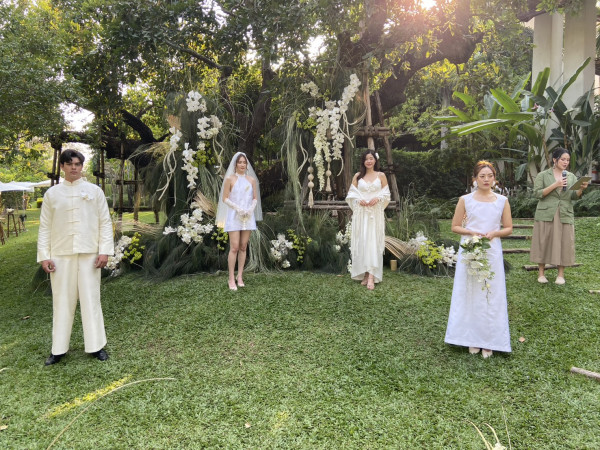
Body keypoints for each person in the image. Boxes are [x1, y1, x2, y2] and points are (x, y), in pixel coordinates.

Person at [37, 149, 114, 366]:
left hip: (90, 254)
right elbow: (44, 227)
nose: (74, 167)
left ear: (82, 166)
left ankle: (96, 346)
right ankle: (58, 349)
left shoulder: (95, 191)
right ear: (62, 166)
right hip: (60, 255)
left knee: (91, 300)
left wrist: (104, 251)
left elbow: (105, 222)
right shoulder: (51, 194)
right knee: (62, 302)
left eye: (78, 164)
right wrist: (44, 256)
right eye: (70, 164)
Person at [445, 161, 513, 358]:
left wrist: (495, 233)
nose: (486, 179)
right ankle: (471, 338)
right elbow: (455, 226)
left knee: (491, 292)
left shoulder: (502, 201)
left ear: (494, 179)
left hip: (491, 250)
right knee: (470, 292)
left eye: (490, 176)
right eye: (482, 176)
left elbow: (509, 228)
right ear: (474, 179)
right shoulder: (465, 200)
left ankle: (490, 340)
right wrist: (471, 232)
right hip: (470, 249)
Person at [530, 147, 589, 285]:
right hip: (546, 213)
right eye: (563, 159)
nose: (566, 162)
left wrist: (581, 189)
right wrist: (555, 184)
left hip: (564, 213)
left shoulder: (571, 176)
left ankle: (560, 275)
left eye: (567, 160)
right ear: (555, 160)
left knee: (564, 242)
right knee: (543, 241)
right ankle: (541, 273)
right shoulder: (543, 175)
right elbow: (537, 193)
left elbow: (573, 196)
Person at [215, 152, 262, 291]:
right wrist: (238, 209)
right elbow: (225, 198)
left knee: (243, 246)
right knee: (234, 247)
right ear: (235, 164)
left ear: (247, 165)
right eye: (240, 162)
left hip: (248, 216)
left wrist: (250, 209)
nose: (242, 164)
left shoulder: (251, 180)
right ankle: (231, 277)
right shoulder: (229, 179)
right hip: (234, 216)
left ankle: (240, 276)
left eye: (244, 162)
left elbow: (255, 198)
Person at [345, 150, 390, 290]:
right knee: (362, 241)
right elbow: (351, 194)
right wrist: (359, 200)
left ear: (375, 160)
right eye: (366, 159)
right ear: (363, 161)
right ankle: (365, 273)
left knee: (373, 241)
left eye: (371, 158)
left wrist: (378, 198)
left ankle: (371, 276)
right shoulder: (358, 176)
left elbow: (387, 194)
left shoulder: (381, 175)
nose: (369, 161)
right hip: (361, 214)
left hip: (374, 214)